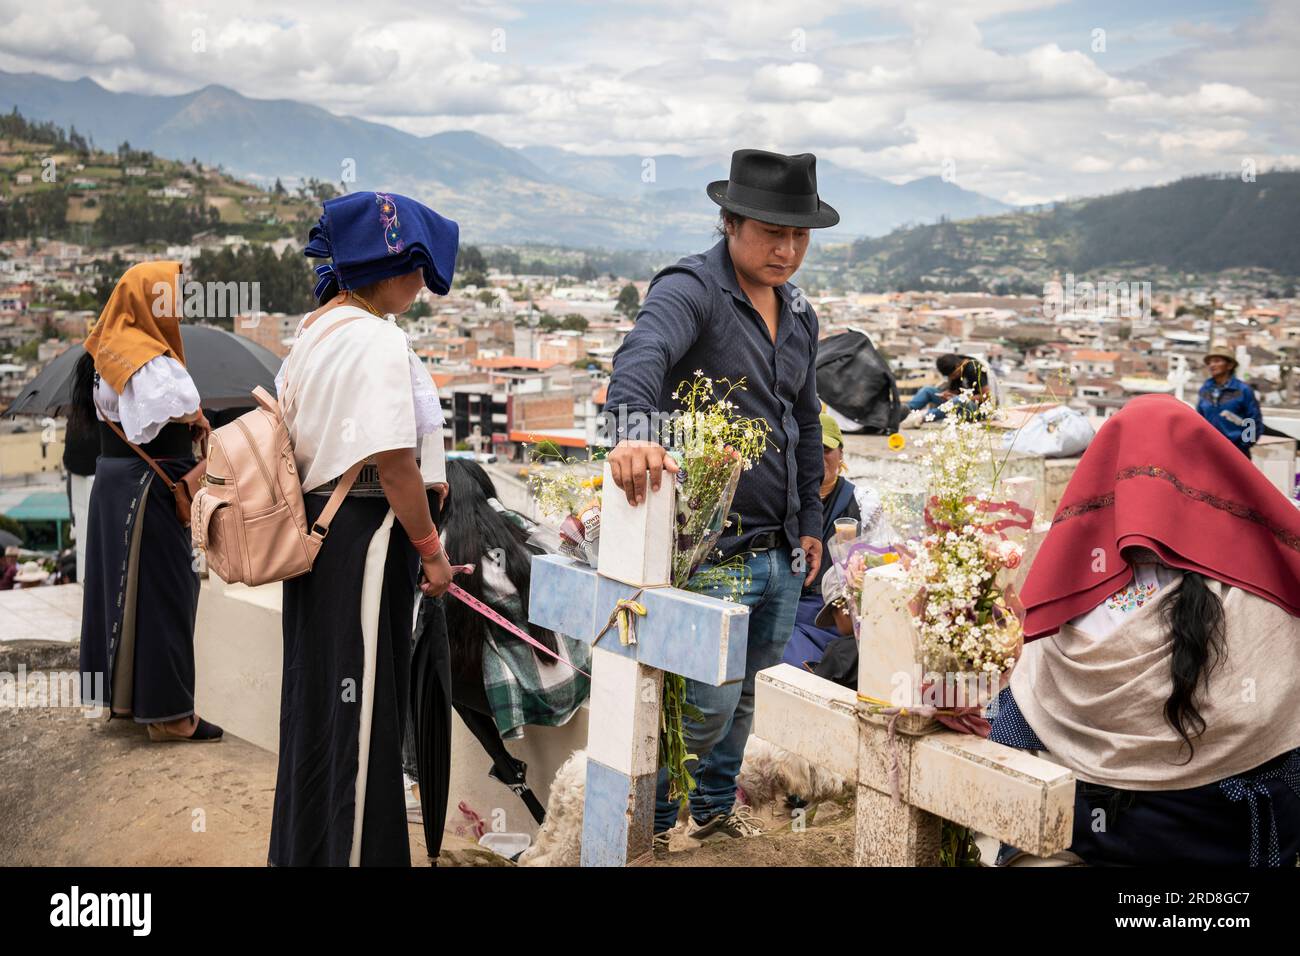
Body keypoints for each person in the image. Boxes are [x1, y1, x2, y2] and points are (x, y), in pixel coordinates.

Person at [603, 148, 837, 849]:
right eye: (772, 231)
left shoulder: (798, 312)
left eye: (799, 235)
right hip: (716, 547)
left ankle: (709, 811)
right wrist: (634, 435)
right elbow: (640, 356)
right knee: (701, 704)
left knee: (747, 699)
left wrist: (812, 520)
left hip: (782, 550)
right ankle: (656, 825)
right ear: (730, 222)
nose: (788, 249)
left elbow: (802, 420)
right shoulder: (692, 288)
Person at [991, 394, 1300, 866]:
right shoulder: (1259, 595)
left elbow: (1014, 730)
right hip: (1222, 840)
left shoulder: (1070, 594)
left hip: (1088, 835)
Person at [267, 191, 458, 867]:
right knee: (363, 704)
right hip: (367, 539)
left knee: (319, 699)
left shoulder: (317, 330)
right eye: (420, 271)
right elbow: (395, 464)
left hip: (318, 535)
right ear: (399, 264)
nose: (424, 287)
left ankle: (307, 848)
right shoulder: (377, 339)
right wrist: (431, 552)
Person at [76, 261, 219, 743]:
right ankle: (173, 715)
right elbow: (155, 415)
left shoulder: (109, 347)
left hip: (119, 483)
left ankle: (128, 702)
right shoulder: (146, 356)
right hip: (150, 488)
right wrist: (198, 415)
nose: (173, 307)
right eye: (168, 298)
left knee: (120, 591)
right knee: (167, 594)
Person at [406, 459, 590, 832]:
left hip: (531, 696)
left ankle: (416, 778)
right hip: (574, 675)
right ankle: (506, 768)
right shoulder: (519, 527)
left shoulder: (445, 549)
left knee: (426, 664)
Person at [781, 412, 888, 672]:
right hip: (783, 605)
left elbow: (881, 563)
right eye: (808, 450)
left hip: (831, 612)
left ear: (841, 455)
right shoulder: (781, 499)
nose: (817, 458)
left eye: (826, 449)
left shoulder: (862, 503)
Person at [1197, 341, 1261, 458]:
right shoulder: (1205, 390)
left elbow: (1253, 422)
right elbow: (1199, 419)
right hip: (1210, 452)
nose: (1212, 365)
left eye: (1217, 361)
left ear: (1230, 365)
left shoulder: (1243, 390)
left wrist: (1244, 446)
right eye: (1210, 362)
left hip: (1237, 451)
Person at [904, 353, 989, 423]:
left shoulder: (973, 368)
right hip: (957, 403)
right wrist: (949, 394)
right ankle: (905, 411)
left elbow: (987, 395)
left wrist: (964, 398)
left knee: (958, 400)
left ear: (958, 365)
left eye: (954, 375)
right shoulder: (954, 366)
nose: (953, 378)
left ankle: (924, 417)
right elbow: (955, 392)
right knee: (927, 390)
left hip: (977, 410)